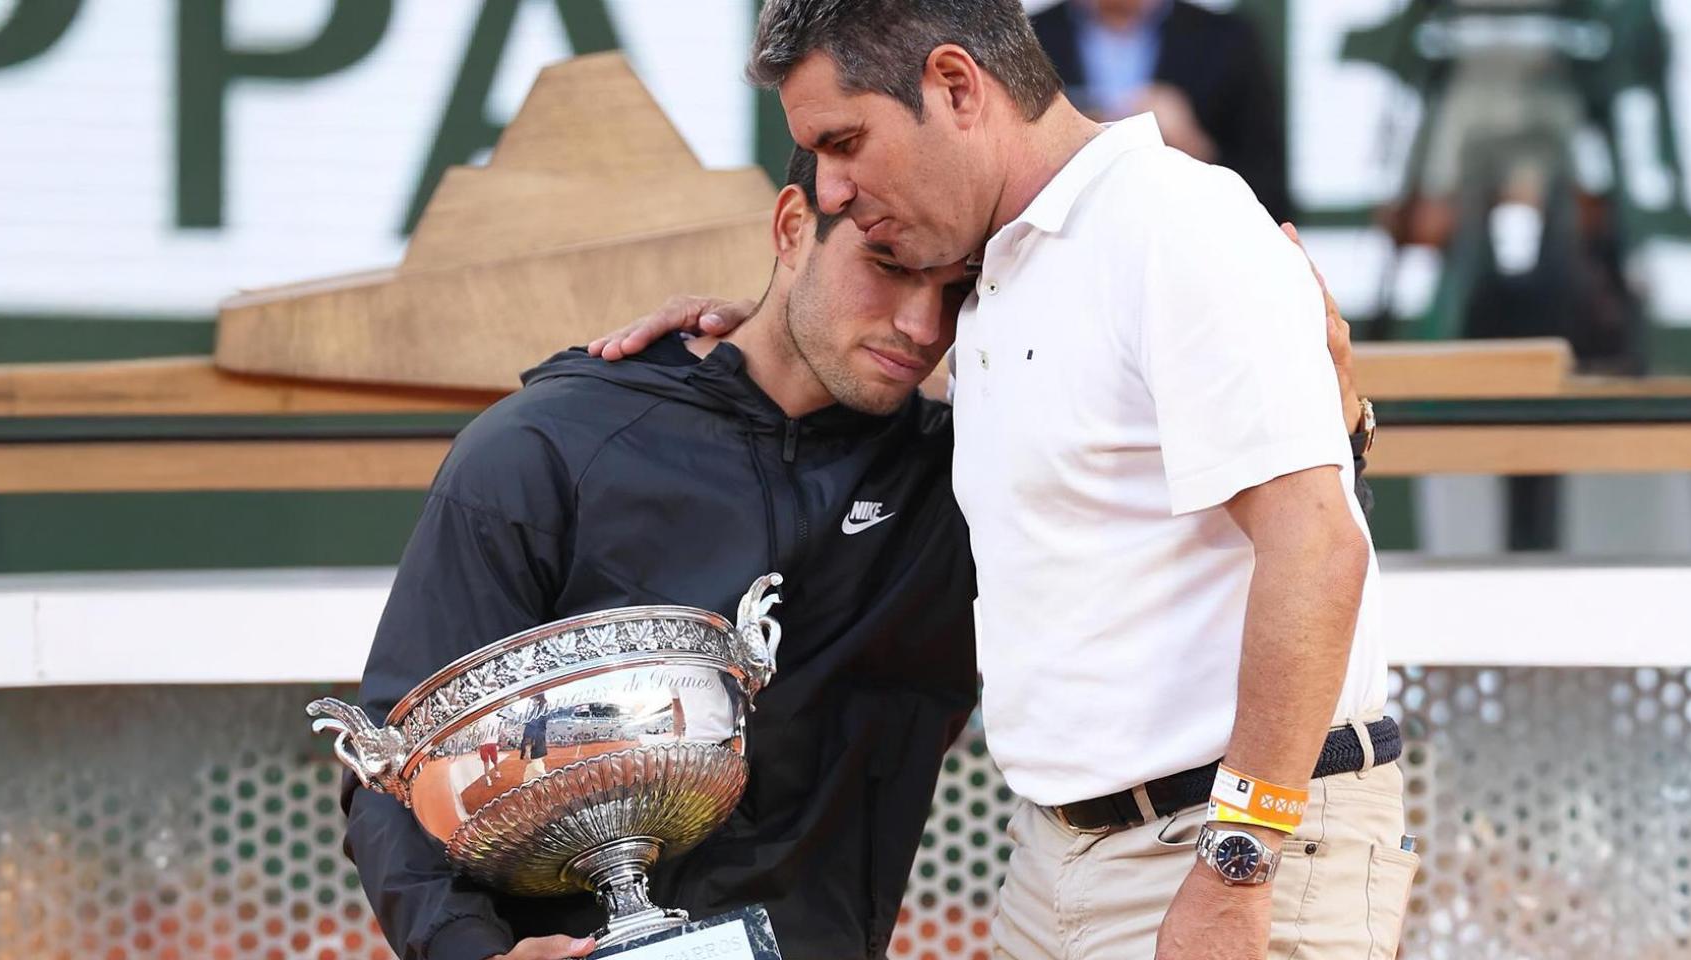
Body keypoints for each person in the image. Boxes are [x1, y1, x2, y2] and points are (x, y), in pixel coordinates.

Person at [606, 2, 1410, 957]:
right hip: (1055, 854)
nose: (831, 186)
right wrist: (773, 330)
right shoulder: (1000, 266)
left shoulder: (1175, 224)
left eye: (845, 140)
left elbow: (1319, 550)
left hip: (1227, 845)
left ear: (955, 86)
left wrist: (1237, 867)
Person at [343, 150, 980, 960]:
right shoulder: (547, 449)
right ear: (792, 228)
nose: (924, 328)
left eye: (959, 289)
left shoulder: (962, 480)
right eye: (886, 266)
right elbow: (393, 766)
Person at [1029, 0, 1293, 222]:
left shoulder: (1228, 41)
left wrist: (1192, 146)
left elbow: (1270, 193)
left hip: (1189, 246)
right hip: (1068, 248)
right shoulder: (1031, 39)